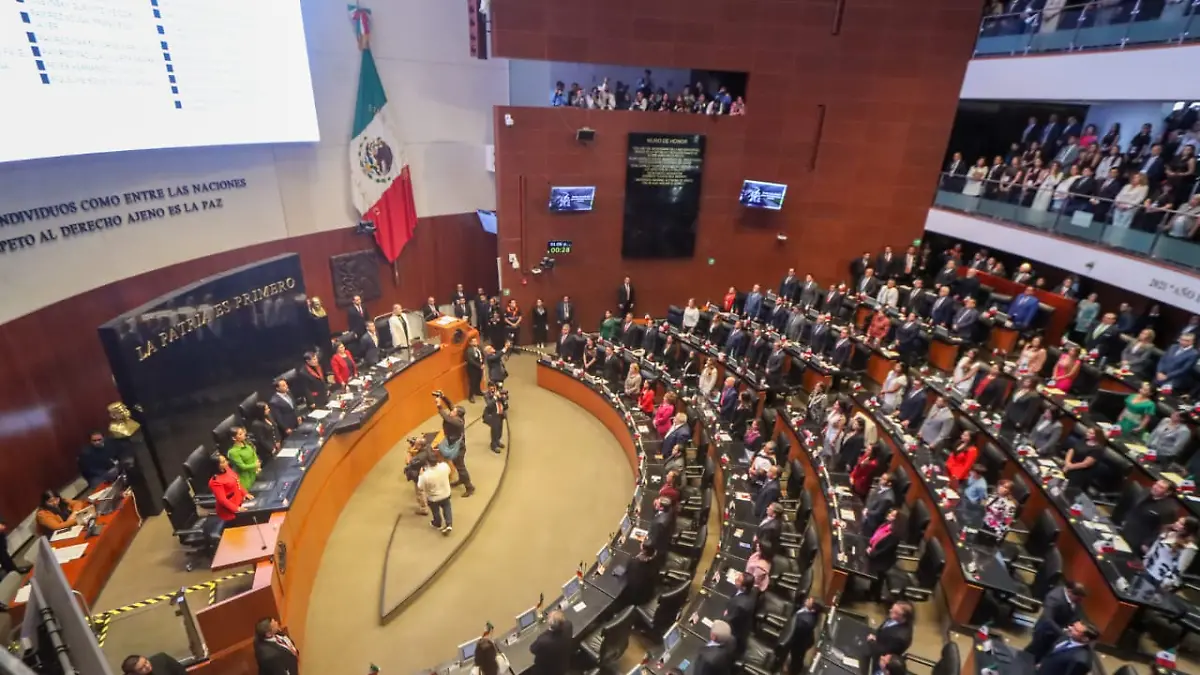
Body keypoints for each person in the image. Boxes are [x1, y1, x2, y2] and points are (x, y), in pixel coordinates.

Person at [1027, 585, 1085, 661]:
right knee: (1033, 653)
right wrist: (1062, 632)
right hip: (1045, 632)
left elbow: (1074, 613)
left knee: (1045, 654)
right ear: (1071, 593)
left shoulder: (1074, 600)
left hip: (1057, 633)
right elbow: (1048, 619)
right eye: (1078, 599)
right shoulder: (1054, 598)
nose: (1080, 602)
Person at [1121, 479, 1179, 555]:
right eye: (1156, 484)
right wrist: (1125, 519)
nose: (1155, 487)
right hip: (1126, 529)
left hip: (1140, 540)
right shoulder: (1146, 491)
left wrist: (1147, 543)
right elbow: (1135, 507)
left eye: (1160, 487)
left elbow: (1164, 529)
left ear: (1168, 493)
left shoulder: (1169, 509)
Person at [1143, 516, 1199, 590]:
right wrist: (1144, 562)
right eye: (1177, 521)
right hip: (1147, 569)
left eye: (1181, 524)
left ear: (1188, 529)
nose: (1176, 523)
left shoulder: (1189, 547)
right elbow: (1152, 551)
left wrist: (1165, 584)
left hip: (1160, 580)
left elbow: (1179, 570)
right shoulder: (1168, 534)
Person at [436, 395, 474, 497]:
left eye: (453, 411)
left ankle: (469, 487)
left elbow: (445, 417)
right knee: (457, 465)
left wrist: (439, 405)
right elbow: (450, 405)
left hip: (458, 448)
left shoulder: (457, 422)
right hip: (455, 444)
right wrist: (443, 397)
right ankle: (461, 479)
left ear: (457, 414)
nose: (451, 411)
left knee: (461, 467)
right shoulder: (458, 416)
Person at [208, 453, 250, 529]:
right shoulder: (215, 481)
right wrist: (236, 509)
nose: (227, 462)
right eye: (223, 462)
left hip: (240, 501)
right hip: (229, 512)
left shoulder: (227, 469)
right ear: (217, 466)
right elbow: (222, 500)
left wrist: (245, 493)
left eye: (225, 460)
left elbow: (236, 481)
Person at [784, 598, 825, 675]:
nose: (807, 600)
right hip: (805, 638)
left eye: (809, 601)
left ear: (813, 610)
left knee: (796, 658)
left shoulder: (804, 621)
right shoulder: (809, 613)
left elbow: (793, 632)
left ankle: (794, 672)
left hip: (800, 642)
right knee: (798, 658)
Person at [418, 452, 453, 534]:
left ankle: (437, 523)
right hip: (446, 493)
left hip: (433, 498)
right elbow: (449, 472)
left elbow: (420, 486)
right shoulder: (444, 466)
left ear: (427, 462)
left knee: (435, 511)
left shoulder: (425, 475)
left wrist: (420, 475)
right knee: (447, 508)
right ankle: (449, 524)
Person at [723, 572, 758, 652]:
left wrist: (725, 615)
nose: (735, 579)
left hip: (735, 631)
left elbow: (728, 619)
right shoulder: (751, 590)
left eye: (738, 580)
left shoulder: (740, 605)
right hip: (742, 620)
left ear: (744, 588)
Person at [226, 426, 260, 491]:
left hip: (254, 475)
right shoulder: (233, 452)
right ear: (234, 438)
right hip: (245, 481)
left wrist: (257, 466)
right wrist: (255, 465)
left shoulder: (246, 444)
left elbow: (254, 454)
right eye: (240, 434)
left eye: (243, 433)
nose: (244, 434)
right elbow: (243, 467)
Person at [483, 381, 505, 454]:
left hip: (500, 413)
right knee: (494, 430)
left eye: (493, 388)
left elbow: (504, 401)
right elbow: (489, 404)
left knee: (500, 429)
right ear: (488, 388)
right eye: (491, 388)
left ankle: (497, 441)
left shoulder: (498, 392)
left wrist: (502, 397)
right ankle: (493, 445)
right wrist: (495, 397)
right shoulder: (486, 395)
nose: (492, 389)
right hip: (493, 415)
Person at [120, 653, 187, 675]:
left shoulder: (162, 659)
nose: (147, 666)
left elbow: (181, 672)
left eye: (146, 661)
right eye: (141, 668)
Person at [465, 336, 484, 403]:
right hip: (473, 369)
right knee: (473, 382)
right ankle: (471, 396)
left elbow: (482, 355)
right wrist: (479, 366)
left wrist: (483, 363)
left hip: (480, 367)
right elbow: (470, 360)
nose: (476, 342)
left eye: (476, 341)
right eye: (474, 341)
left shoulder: (479, 347)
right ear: (470, 343)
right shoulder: (469, 350)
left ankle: (478, 391)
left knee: (479, 379)